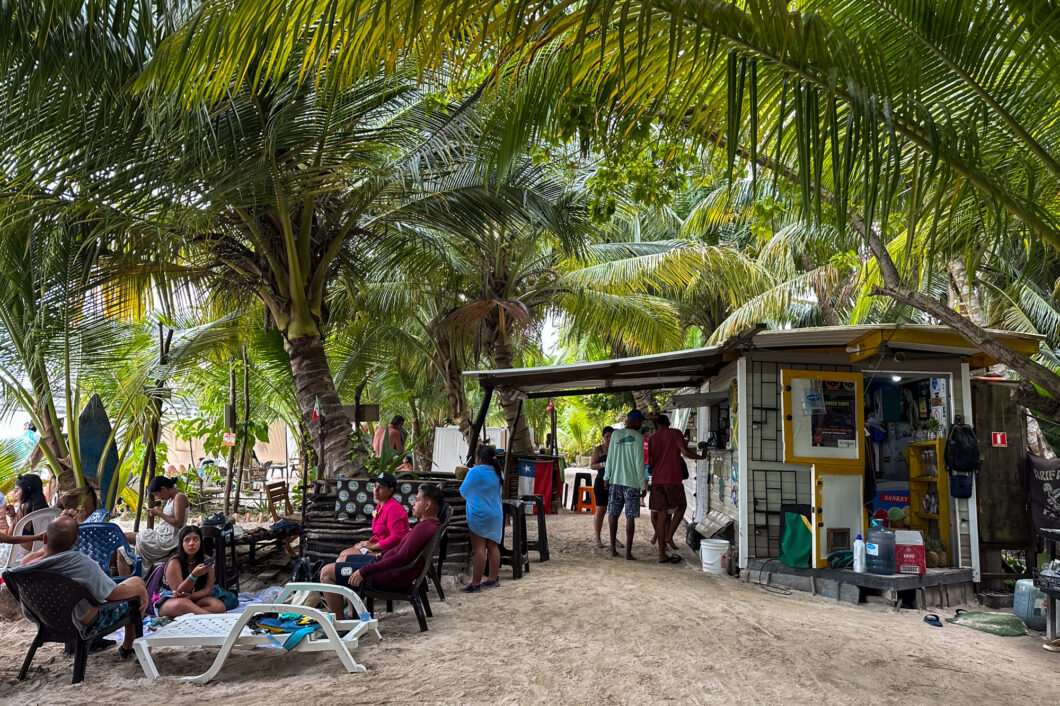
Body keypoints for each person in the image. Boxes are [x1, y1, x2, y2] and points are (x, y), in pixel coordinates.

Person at [9, 515, 148, 659]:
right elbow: (112, 594)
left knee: (131, 586)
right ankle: (127, 647)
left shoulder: (26, 564)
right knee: (136, 582)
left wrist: (50, 540)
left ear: (44, 539)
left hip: (47, 621)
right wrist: (140, 590)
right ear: (76, 541)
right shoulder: (79, 564)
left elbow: (44, 554)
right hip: (85, 622)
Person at [319, 484, 444, 618]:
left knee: (326, 573)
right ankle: (352, 615)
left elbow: (400, 558)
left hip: (388, 576)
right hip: (386, 568)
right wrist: (380, 555)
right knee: (342, 560)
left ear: (427, 504)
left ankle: (341, 625)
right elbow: (399, 552)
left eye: (417, 500)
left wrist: (364, 570)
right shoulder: (427, 525)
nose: (413, 503)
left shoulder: (423, 529)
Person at [647, 414, 706, 564]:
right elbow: (685, 452)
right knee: (682, 505)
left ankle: (661, 553)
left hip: (657, 479)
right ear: (668, 423)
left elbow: (651, 462)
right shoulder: (675, 433)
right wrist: (702, 456)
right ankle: (668, 535)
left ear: (656, 425)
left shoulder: (652, 439)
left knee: (661, 513)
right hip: (672, 479)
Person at [331, 473, 411, 573]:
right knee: (343, 554)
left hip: (388, 554)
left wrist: (372, 546)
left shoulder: (393, 508)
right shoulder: (380, 506)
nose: (375, 490)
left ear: (390, 490)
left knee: (341, 561)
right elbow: (381, 534)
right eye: (375, 486)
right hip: (380, 548)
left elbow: (397, 538)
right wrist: (365, 543)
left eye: (381, 487)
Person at [604, 409, 648, 560]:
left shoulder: (615, 434)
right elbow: (639, 463)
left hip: (615, 481)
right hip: (632, 484)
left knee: (613, 515)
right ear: (632, 421)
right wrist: (643, 486)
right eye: (640, 421)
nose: (641, 424)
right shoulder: (637, 437)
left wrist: (606, 477)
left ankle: (613, 550)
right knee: (630, 517)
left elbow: (609, 458)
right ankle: (628, 553)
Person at [154, 526, 226, 618]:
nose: (191, 543)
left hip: (193, 599)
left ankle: (184, 615)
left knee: (219, 606)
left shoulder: (207, 561)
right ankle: (215, 617)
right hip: (171, 600)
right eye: (187, 540)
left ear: (201, 542)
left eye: (195, 539)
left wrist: (191, 597)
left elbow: (207, 589)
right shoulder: (174, 562)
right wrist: (194, 575)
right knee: (182, 604)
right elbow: (179, 592)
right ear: (181, 543)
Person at [460, 446, 503, 592]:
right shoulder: (499, 473)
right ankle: (492, 579)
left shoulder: (475, 472)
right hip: (496, 514)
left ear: (478, 458)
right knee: (492, 546)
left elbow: (463, 491)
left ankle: (475, 584)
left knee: (479, 549)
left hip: (479, 515)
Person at [124, 476, 188, 571]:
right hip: (163, 534)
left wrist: (160, 513)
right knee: (122, 551)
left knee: (126, 537)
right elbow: (171, 516)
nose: (158, 497)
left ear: (163, 489)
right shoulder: (172, 498)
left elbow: (179, 523)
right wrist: (159, 512)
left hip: (168, 539)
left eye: (157, 494)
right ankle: (124, 583)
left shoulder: (179, 497)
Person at [590, 427, 621, 549]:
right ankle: (597, 537)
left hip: (616, 482)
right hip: (601, 483)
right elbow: (592, 465)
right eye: (607, 436)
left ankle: (613, 538)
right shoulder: (599, 449)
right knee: (601, 510)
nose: (609, 439)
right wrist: (603, 464)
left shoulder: (618, 448)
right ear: (603, 437)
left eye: (612, 436)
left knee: (614, 512)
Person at [2, 474, 49, 551]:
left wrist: (3, 516)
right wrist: (13, 515)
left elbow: (10, 535)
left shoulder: (24, 507)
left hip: (22, 552)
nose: (15, 495)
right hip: (42, 549)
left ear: (27, 490)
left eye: (17, 490)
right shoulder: (47, 509)